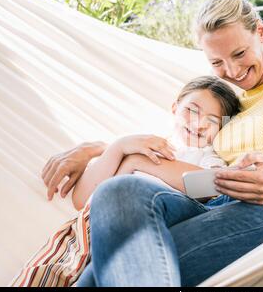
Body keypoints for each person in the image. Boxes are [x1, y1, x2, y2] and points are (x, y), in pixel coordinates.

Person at [41, 0, 263, 287]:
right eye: (217, 62)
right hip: (212, 203)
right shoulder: (226, 107)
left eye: (240, 53)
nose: (233, 69)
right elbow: (180, 162)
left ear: (259, 32)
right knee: (118, 191)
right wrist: (98, 149)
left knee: (100, 277)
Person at [71, 76, 241, 210]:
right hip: (95, 225)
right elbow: (81, 200)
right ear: (175, 108)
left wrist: (138, 162)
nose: (199, 124)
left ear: (222, 128)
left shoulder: (207, 156)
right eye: (191, 110)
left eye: (212, 120)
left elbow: (212, 184)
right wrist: (119, 146)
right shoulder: (140, 141)